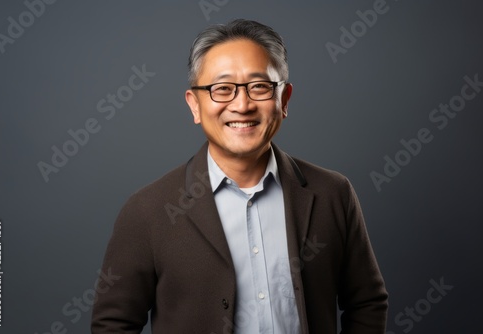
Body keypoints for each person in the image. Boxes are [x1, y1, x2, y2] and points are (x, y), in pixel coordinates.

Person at [91, 19, 388, 334]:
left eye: (259, 86)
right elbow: (114, 325)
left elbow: (367, 302)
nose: (242, 105)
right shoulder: (148, 210)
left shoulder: (333, 193)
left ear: (284, 99)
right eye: (222, 89)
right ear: (194, 104)